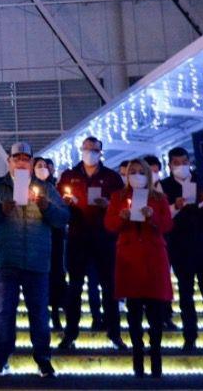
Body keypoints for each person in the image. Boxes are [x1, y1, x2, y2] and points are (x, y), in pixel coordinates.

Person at [0, 141, 67, 378]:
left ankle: (43, 360)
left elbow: (63, 218)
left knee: (39, 313)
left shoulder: (44, 188)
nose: (21, 162)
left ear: (32, 161)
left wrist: (47, 206)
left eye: (25, 158)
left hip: (37, 261)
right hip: (5, 260)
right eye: (16, 158)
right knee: (4, 313)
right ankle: (1, 359)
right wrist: (0, 209)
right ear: (9, 161)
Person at [56, 136, 126, 351]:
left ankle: (114, 332)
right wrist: (65, 203)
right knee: (75, 286)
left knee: (109, 287)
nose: (90, 153)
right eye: (86, 149)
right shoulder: (69, 175)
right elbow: (58, 204)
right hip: (78, 236)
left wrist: (109, 204)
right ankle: (70, 333)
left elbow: (123, 205)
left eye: (94, 149)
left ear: (100, 151)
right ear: (81, 150)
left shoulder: (112, 177)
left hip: (105, 237)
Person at [106, 158, 174, 377]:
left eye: (140, 171)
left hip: (153, 258)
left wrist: (153, 219)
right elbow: (109, 225)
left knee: (155, 313)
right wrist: (121, 218)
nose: (136, 175)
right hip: (130, 258)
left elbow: (167, 225)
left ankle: (156, 356)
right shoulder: (118, 197)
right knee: (133, 312)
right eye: (132, 172)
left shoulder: (159, 198)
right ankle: (137, 356)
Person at [160, 146, 203, 352]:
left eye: (184, 162)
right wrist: (175, 207)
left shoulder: (202, 181)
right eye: (176, 163)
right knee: (186, 292)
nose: (181, 166)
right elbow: (162, 218)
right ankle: (190, 336)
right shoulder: (163, 186)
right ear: (170, 165)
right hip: (180, 245)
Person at [34, 157, 68, 331]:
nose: (42, 169)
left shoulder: (57, 187)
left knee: (56, 274)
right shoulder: (28, 187)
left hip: (55, 236)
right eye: (38, 166)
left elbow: (63, 212)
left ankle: (56, 312)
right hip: (36, 237)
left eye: (45, 166)